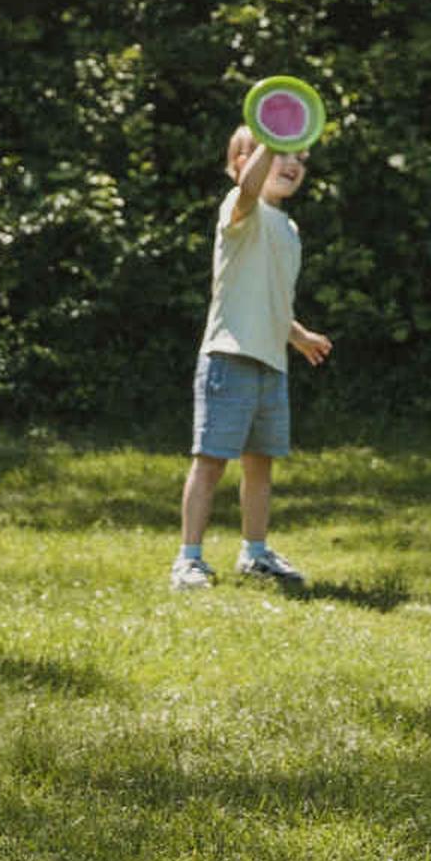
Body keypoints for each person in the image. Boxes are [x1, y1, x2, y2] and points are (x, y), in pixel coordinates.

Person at [175, 124, 332, 591]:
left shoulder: (288, 228)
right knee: (211, 461)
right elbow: (247, 190)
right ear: (240, 164)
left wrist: (297, 335)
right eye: (276, 153)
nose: (290, 163)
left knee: (261, 462)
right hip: (230, 357)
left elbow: (271, 298)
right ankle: (189, 559)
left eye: (299, 158)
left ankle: (255, 552)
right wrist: (273, 133)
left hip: (271, 364)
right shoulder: (239, 209)